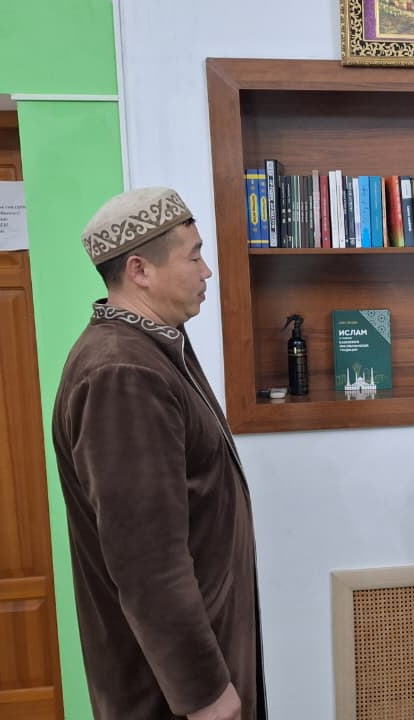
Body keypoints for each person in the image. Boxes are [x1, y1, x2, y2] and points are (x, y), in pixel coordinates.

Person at [53, 187, 265, 720]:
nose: (207, 271)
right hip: (168, 694)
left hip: (197, 661)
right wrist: (204, 692)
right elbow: (147, 562)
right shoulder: (123, 374)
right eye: (194, 257)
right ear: (140, 270)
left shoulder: (150, 347)